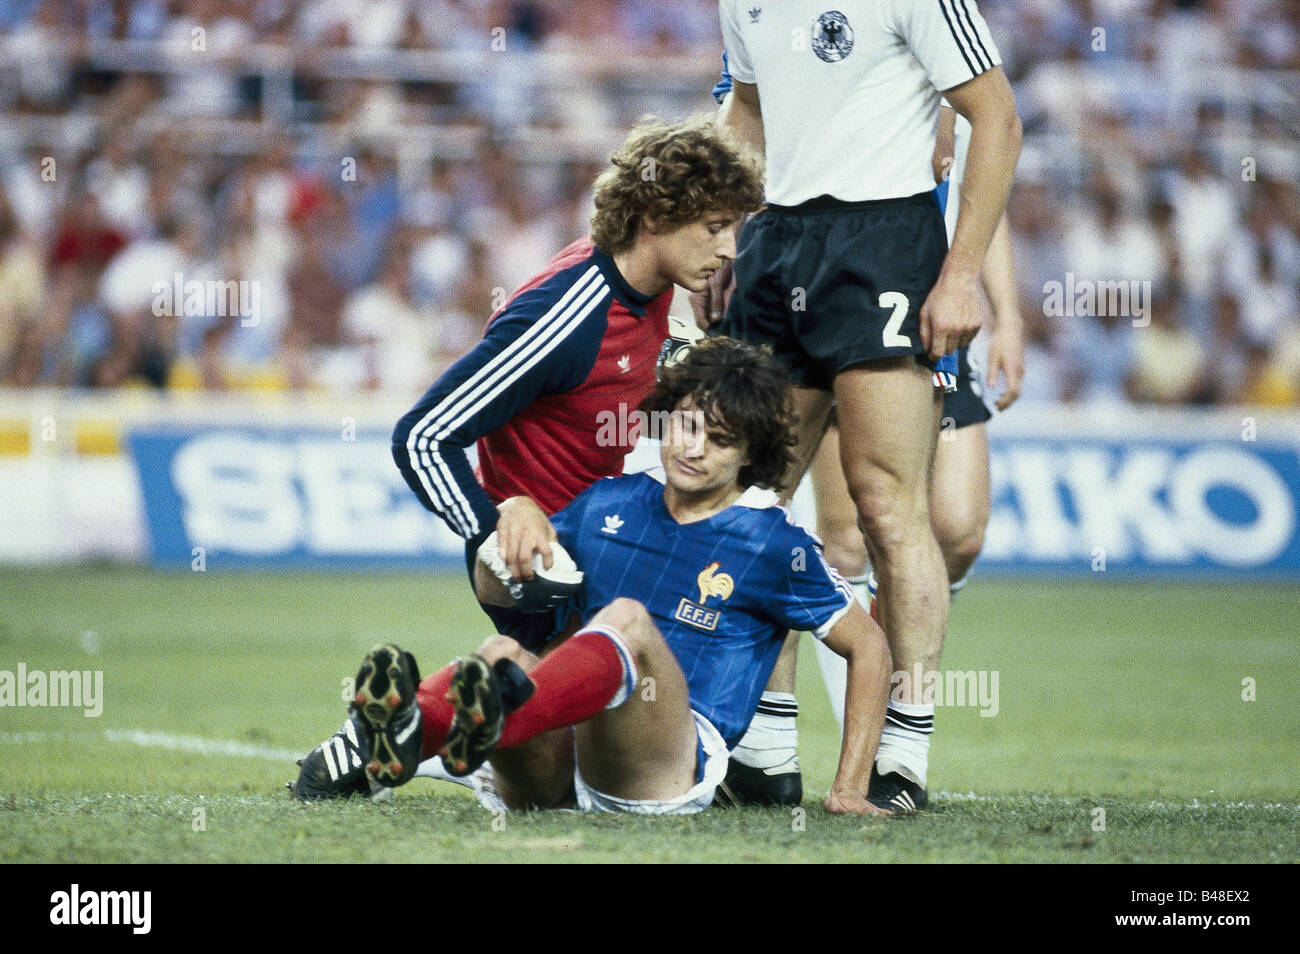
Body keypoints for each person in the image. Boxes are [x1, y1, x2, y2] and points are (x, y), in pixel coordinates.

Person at [289, 117, 765, 799]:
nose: (728, 248)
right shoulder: (567, 312)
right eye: (716, 226)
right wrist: (495, 528)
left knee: (536, 753)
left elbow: (614, 395)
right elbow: (423, 435)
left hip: (595, 548)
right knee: (581, 760)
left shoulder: (653, 289)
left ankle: (389, 734)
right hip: (549, 567)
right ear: (658, 214)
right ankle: (751, 766)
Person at [297, 339, 894, 816]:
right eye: (686, 426)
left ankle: (448, 727)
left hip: (662, 769)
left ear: (750, 454)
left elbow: (867, 646)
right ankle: (400, 733)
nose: (693, 449)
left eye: (719, 440)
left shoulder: (772, 539)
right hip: (558, 764)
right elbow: (507, 595)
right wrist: (513, 514)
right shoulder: (611, 501)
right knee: (506, 650)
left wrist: (850, 785)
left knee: (625, 620)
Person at [713, 2, 1022, 813]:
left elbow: (995, 116)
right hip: (776, 243)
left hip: (884, 237)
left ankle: (904, 753)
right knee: (753, 501)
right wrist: (721, 229)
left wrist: (959, 273)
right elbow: (747, 109)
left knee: (889, 506)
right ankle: (766, 749)